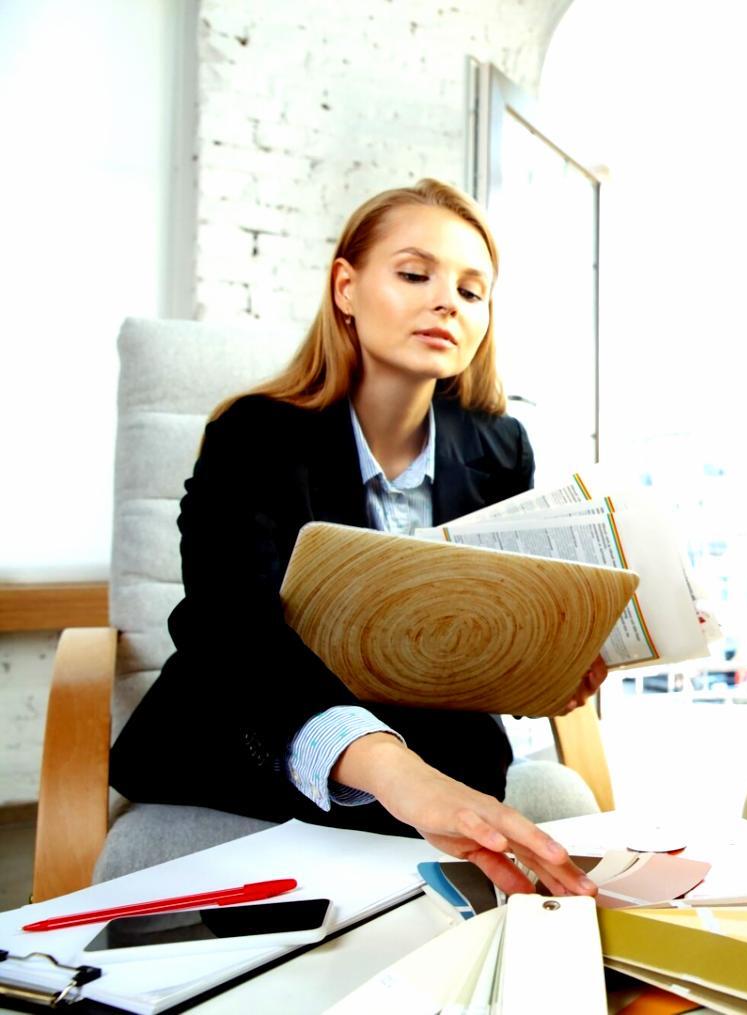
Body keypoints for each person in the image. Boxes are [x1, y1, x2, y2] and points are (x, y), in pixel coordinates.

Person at [111, 179, 599, 898]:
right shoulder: (252, 434)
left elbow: (487, 622)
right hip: (257, 742)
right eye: (413, 274)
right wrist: (394, 773)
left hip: (447, 751)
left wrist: (542, 664)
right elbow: (226, 627)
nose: (446, 301)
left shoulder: (499, 444)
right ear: (346, 286)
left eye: (472, 291)